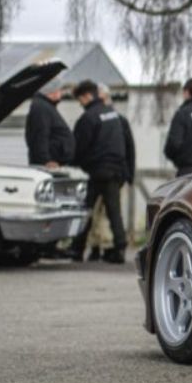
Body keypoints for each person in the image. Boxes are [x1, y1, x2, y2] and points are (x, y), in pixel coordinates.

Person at [69, 80, 134, 264]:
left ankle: (77, 248)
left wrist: (73, 164)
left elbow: (79, 148)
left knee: (86, 211)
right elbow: (127, 145)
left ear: (87, 96)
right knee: (114, 212)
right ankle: (120, 249)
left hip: (96, 172)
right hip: (116, 171)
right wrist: (127, 173)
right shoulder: (114, 116)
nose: (80, 104)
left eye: (80, 99)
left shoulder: (88, 118)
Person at [24, 83, 74, 168]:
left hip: (55, 161)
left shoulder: (45, 106)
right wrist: (46, 160)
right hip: (50, 164)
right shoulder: (41, 107)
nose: (61, 93)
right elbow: (40, 135)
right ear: (52, 91)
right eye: (59, 90)